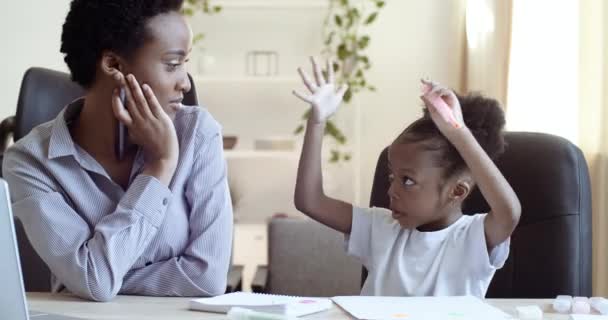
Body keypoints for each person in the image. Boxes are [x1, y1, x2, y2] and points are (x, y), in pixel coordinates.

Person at [2, 0, 232, 301]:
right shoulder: (30, 162)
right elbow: (93, 281)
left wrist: (100, 274)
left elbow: (208, 278)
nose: (185, 83)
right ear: (114, 65)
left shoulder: (198, 135)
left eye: (185, 64)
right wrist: (160, 166)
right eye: (173, 64)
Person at [292, 57, 521, 297]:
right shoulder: (380, 228)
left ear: (457, 191)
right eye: (392, 176)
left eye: (408, 181)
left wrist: (458, 132)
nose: (391, 190)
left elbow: (509, 213)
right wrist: (317, 122)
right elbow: (310, 201)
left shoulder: (473, 239)